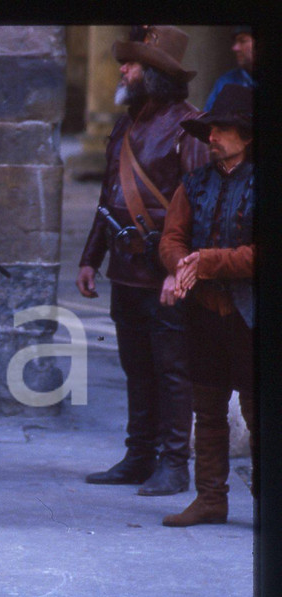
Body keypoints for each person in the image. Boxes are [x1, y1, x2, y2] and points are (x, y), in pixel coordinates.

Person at [76, 25, 208, 496]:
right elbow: (108, 199)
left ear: (153, 73)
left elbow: (201, 204)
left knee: (172, 369)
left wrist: (182, 269)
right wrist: (90, 258)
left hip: (164, 275)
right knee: (136, 365)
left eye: (131, 64)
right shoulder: (124, 126)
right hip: (126, 273)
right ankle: (139, 456)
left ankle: (174, 464)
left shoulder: (190, 127)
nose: (123, 70)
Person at [158, 84, 256, 526]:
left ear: (247, 135)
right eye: (211, 128)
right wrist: (183, 266)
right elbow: (172, 237)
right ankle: (211, 498)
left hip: (251, 316)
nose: (213, 136)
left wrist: (211, 261)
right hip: (204, 313)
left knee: (259, 413)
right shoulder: (194, 182)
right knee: (209, 410)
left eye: (223, 128)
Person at [204, 26, 254, 112]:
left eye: (242, 41)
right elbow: (208, 118)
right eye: (235, 42)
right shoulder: (226, 81)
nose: (235, 48)